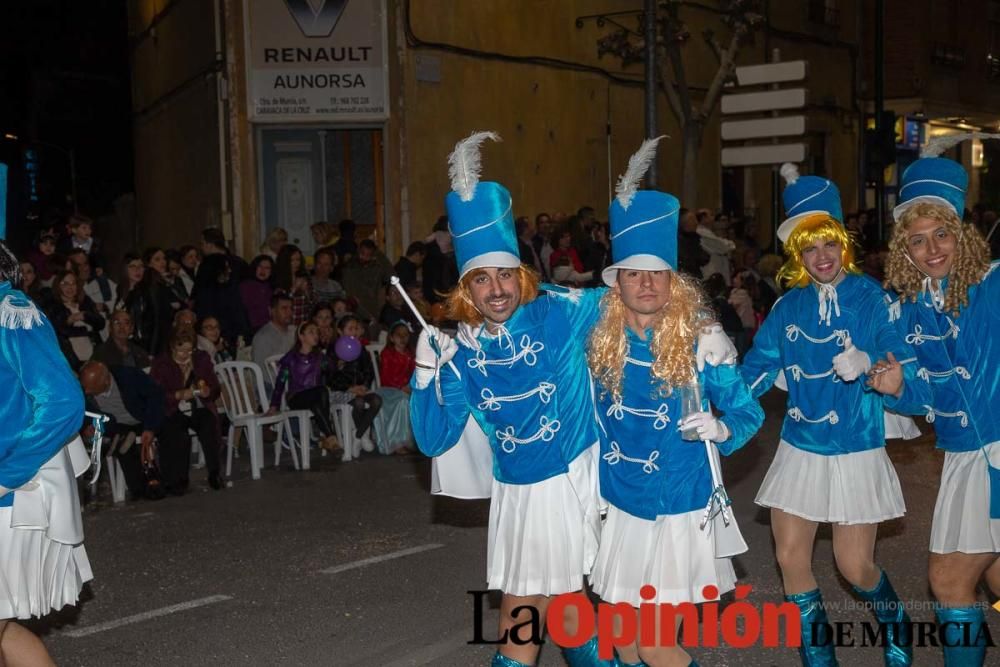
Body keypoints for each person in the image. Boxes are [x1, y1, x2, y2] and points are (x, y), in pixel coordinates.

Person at [408, 132, 739, 667]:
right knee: (558, 613)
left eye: (504, 276)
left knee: (539, 615)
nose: (496, 291)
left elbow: (642, 288)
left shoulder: (560, 310)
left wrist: (703, 323)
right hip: (520, 496)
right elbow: (433, 437)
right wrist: (424, 371)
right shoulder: (461, 352)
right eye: (481, 280)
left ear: (522, 276)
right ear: (465, 290)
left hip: (580, 480)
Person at [740, 164, 930, 666]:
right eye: (809, 248)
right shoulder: (788, 307)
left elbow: (897, 354)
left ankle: (895, 623)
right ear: (797, 255)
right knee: (789, 558)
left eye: (828, 245)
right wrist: (716, 392)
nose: (820, 258)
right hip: (801, 445)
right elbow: (757, 369)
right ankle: (819, 661)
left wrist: (870, 360)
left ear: (843, 245)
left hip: (854, 444)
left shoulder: (871, 297)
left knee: (855, 565)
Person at [586, 139, 764, 666]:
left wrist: (722, 428)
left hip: (676, 504)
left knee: (656, 643)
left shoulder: (702, 340)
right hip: (620, 503)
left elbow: (749, 412)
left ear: (672, 281)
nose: (646, 284)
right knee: (626, 642)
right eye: (634, 274)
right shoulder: (596, 337)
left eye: (657, 273)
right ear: (616, 283)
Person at [882, 145, 1000, 666]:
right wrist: (896, 389)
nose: (931, 250)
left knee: (950, 580)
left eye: (942, 234)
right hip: (960, 453)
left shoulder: (994, 285)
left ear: (962, 233)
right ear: (903, 249)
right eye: (918, 241)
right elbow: (928, 394)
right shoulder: (910, 309)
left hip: (996, 447)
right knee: (992, 577)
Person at [1, 240, 90, 664]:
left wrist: (8, 473)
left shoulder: (10, 313)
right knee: (5, 629)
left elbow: (63, 404)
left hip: (11, 497)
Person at [151, 328, 224, 492]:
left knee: (209, 422)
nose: (185, 354)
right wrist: (176, 395)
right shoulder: (162, 364)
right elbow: (155, 394)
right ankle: (178, 478)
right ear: (172, 348)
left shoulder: (201, 359)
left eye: (189, 350)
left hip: (197, 406)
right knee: (177, 433)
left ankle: (214, 472)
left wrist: (208, 391)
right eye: (181, 350)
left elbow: (215, 386)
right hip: (171, 410)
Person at [80, 360, 166, 500]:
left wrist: (150, 427)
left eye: (92, 387)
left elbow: (156, 396)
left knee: (169, 429)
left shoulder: (128, 376)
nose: (87, 391)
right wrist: (85, 428)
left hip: (140, 419)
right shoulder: (83, 392)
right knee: (120, 439)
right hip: (113, 425)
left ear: (106, 381)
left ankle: (168, 483)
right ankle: (139, 490)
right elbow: (81, 414)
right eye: (85, 387)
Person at [268, 321, 340, 452]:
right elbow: (280, 381)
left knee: (317, 402)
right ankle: (329, 435)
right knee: (321, 391)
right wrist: (274, 404)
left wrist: (330, 347)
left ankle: (330, 439)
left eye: (316, 332)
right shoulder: (291, 358)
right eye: (311, 332)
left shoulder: (319, 357)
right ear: (301, 337)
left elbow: (333, 372)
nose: (316, 335)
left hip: (316, 397)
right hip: (297, 397)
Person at [328, 314, 382, 446]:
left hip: (360, 389)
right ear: (340, 331)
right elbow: (329, 378)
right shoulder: (333, 350)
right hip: (342, 391)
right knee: (359, 403)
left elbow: (368, 371)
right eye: (350, 329)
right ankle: (363, 436)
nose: (354, 332)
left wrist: (364, 385)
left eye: (356, 329)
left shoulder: (360, 348)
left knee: (376, 400)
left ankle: (358, 436)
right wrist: (349, 387)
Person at [47, 269, 106, 368]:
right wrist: (71, 321)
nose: (70, 287)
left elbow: (100, 323)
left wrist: (85, 315)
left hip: (93, 354)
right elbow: (58, 330)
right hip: (70, 358)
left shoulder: (85, 302)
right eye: (65, 283)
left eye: (73, 283)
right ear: (58, 286)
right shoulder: (54, 306)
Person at [373, 321, 416, 455]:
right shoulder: (387, 354)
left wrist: (411, 386)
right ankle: (398, 442)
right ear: (391, 338)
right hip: (388, 390)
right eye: (399, 335)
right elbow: (386, 377)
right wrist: (401, 387)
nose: (403, 338)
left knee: (420, 400)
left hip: (405, 389)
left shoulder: (411, 355)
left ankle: (415, 440)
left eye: (405, 335)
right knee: (403, 401)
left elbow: (415, 374)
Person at [341, 239, 392, 322]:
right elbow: (350, 295)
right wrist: (367, 315)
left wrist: (379, 254)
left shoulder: (377, 268)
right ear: (358, 251)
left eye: (368, 255)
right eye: (362, 253)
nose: (364, 257)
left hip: (374, 312)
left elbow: (391, 275)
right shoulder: (349, 269)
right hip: (356, 313)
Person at [252, 292, 296, 378]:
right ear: (272, 311)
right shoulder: (262, 337)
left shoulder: (295, 331)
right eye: (284, 308)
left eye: (291, 308)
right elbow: (262, 373)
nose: (289, 312)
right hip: (270, 386)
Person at [240, 254, 275, 334]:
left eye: (267, 268)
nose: (263, 270)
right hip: (251, 329)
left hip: (271, 328)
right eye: (260, 266)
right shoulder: (245, 286)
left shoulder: (272, 287)